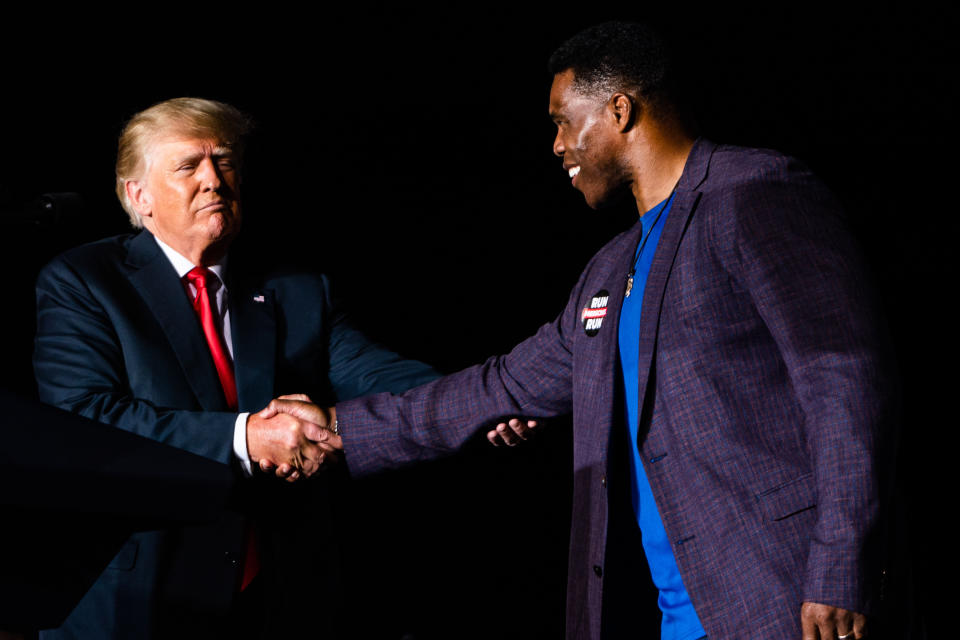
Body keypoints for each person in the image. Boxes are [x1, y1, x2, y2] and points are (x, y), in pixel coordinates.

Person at [268, 22, 896, 640]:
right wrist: (339, 427)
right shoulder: (608, 269)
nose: (557, 145)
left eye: (563, 121)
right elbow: (502, 386)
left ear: (619, 110)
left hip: (784, 599)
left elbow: (844, 384)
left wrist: (841, 566)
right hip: (668, 617)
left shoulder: (753, 193)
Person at [32, 97, 439, 638]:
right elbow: (83, 418)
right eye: (188, 166)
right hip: (144, 595)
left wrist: (483, 402)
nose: (214, 181)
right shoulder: (84, 281)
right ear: (139, 195)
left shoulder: (295, 286)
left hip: (279, 592)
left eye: (224, 162)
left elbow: (378, 375)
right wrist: (246, 435)